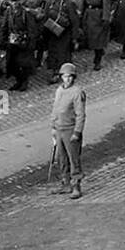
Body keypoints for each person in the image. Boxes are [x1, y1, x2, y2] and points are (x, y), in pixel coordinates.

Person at [50, 62, 86, 200]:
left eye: (70, 76)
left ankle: (76, 185)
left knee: (73, 159)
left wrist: (77, 132)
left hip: (70, 130)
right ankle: (65, 183)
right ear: (61, 77)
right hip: (59, 129)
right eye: (65, 76)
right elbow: (56, 108)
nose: (68, 79)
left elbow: (81, 114)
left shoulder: (77, 92)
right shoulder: (59, 90)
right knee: (61, 158)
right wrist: (53, 126)